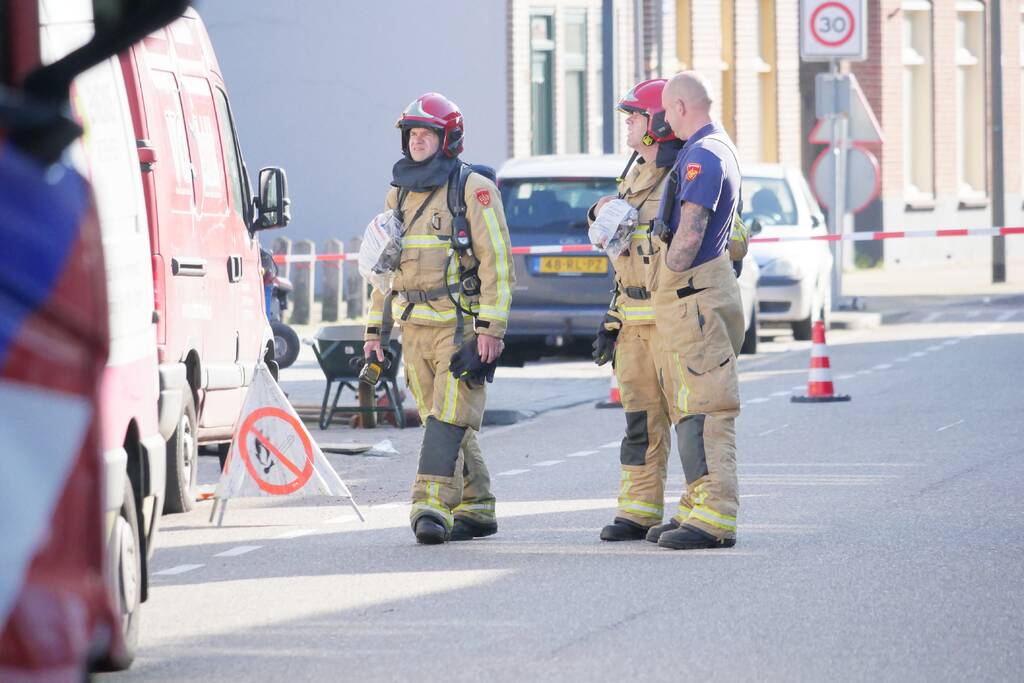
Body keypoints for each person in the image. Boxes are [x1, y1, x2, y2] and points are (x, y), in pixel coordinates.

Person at [363, 93, 515, 544]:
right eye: (412, 134)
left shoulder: (473, 189)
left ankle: (429, 505)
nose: (416, 141)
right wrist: (374, 332)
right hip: (413, 328)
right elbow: (382, 267)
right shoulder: (398, 193)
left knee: (448, 420)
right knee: (440, 420)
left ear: (448, 139)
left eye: (426, 134)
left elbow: (497, 263)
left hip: (458, 327)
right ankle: (478, 505)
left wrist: (491, 329)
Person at [647, 71, 745, 550]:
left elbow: (689, 233)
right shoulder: (710, 148)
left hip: (694, 299)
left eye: (667, 110)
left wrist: (665, 270)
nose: (665, 119)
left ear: (681, 108)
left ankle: (714, 517)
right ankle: (695, 505)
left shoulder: (704, 156)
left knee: (706, 408)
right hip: (695, 301)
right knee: (689, 408)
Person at [586, 79, 684, 541]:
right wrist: (600, 213)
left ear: (658, 123)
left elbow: (734, 237)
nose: (627, 124)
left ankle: (699, 510)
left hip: (675, 320)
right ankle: (638, 510)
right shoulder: (633, 175)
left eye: (634, 117)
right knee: (640, 423)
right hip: (633, 322)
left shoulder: (689, 171)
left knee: (691, 421)